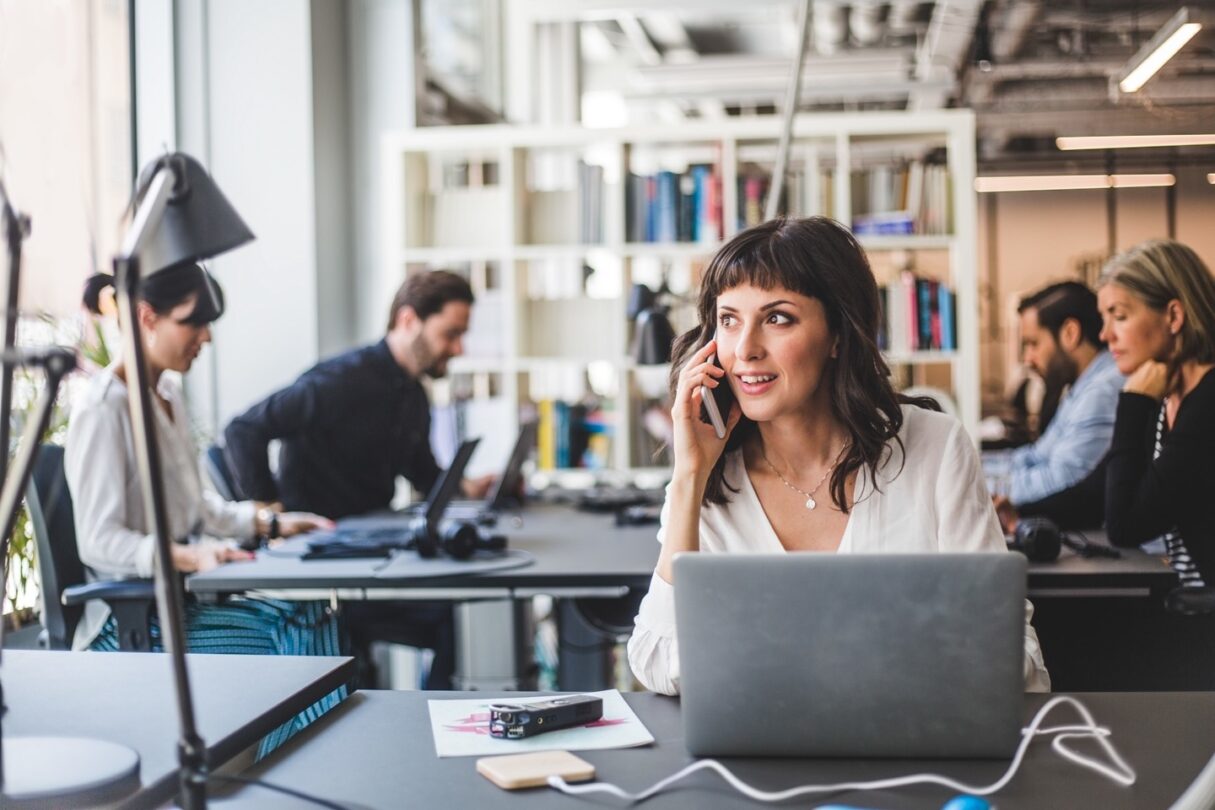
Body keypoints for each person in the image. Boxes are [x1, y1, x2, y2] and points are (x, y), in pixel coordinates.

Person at [626, 216, 1050, 696]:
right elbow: (657, 663)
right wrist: (689, 476)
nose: (745, 349)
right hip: (761, 744)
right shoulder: (706, 477)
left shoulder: (936, 449)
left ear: (837, 335)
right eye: (729, 320)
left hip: (906, 737)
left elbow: (1014, 659)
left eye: (777, 318)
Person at [66, 262, 342, 753]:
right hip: (127, 627)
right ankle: (300, 776)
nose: (207, 337)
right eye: (194, 322)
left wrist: (271, 522)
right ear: (147, 317)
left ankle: (307, 769)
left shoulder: (167, 395)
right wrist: (189, 556)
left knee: (316, 613)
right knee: (300, 626)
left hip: (176, 608)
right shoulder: (103, 408)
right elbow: (98, 540)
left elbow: (198, 508)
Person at [222, 269, 491, 689]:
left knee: (469, 612)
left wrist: (471, 489)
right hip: (326, 568)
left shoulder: (412, 396)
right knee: (456, 619)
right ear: (408, 320)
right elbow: (243, 430)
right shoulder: (340, 381)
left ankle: (436, 718)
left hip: (373, 557)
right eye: (450, 334)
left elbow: (424, 475)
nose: (458, 348)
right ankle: (436, 722)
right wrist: (270, 516)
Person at [1100, 239, 1215, 594]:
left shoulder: (1208, 405)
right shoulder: (1169, 397)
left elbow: (1125, 526)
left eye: (1120, 316)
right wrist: (1020, 513)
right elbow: (1098, 488)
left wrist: (1133, 403)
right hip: (1191, 603)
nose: (1105, 335)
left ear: (1174, 316)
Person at [993, 282, 1124, 532]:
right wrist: (970, 467)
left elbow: (1060, 481)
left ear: (1070, 333)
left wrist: (971, 486)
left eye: (1033, 344)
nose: (1027, 359)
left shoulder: (1103, 390)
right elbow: (1036, 456)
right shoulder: (1081, 386)